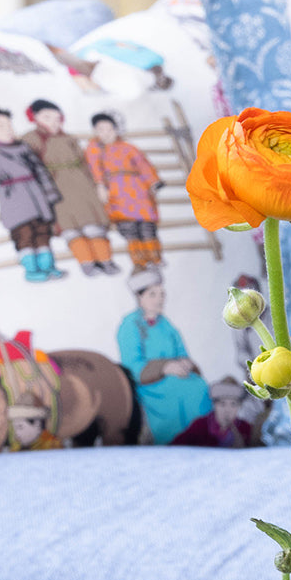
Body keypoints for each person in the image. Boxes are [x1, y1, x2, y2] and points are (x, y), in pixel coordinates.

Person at [0, 107, 67, 282]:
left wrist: (50, 193)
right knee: (24, 233)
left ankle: (48, 265)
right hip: (13, 196)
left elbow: (40, 170)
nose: (7, 129)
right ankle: (31, 269)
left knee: (42, 231)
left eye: (8, 125)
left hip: (35, 194)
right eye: (0, 126)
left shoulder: (23, 147)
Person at [22, 100, 117, 276]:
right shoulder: (30, 139)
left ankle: (105, 260)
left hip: (82, 185)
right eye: (47, 117)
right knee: (70, 228)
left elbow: (84, 161)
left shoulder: (69, 138)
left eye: (58, 118)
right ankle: (87, 263)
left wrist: (97, 184)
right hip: (55, 188)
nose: (53, 122)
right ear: (34, 117)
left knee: (93, 224)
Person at [116, 266, 211, 444]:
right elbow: (131, 365)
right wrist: (164, 368)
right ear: (139, 296)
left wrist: (185, 363)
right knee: (178, 390)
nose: (159, 299)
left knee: (199, 386)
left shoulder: (165, 324)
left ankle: (202, 440)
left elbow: (181, 351)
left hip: (175, 375)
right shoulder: (129, 325)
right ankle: (174, 441)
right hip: (149, 385)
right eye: (152, 294)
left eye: (162, 294)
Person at [85, 113, 162, 270]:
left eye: (109, 129)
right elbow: (95, 168)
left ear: (116, 129)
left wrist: (153, 181)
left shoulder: (128, 148)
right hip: (116, 192)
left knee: (147, 226)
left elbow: (142, 164)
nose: (106, 133)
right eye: (101, 130)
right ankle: (139, 261)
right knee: (129, 229)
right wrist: (100, 185)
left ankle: (155, 258)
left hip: (138, 191)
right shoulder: (95, 149)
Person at [171, 376, 255, 448]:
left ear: (239, 406)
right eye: (222, 404)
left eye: (233, 404)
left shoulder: (245, 428)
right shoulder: (200, 426)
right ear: (214, 405)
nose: (227, 409)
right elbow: (175, 448)